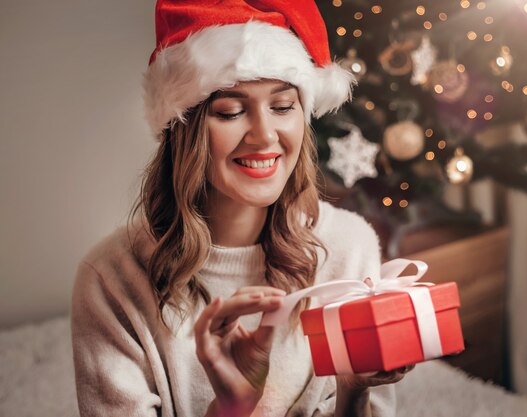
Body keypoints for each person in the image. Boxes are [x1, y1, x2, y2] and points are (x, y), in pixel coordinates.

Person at [71, 1, 413, 416]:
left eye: (283, 106)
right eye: (231, 111)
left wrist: (352, 391)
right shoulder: (110, 280)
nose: (265, 135)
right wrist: (232, 407)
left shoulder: (349, 246)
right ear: (185, 131)